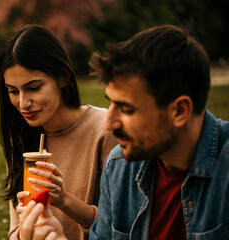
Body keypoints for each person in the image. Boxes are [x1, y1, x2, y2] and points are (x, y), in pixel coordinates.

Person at [18, 24, 229, 240]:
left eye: (127, 109)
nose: (109, 123)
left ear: (179, 111)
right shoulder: (119, 166)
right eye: (111, 104)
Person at [0, 24, 117, 239]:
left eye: (33, 88)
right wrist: (26, 230)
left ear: (63, 77)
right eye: (13, 91)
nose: (23, 103)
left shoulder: (105, 130)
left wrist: (63, 200)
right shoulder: (21, 140)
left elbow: (118, 225)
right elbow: (14, 232)